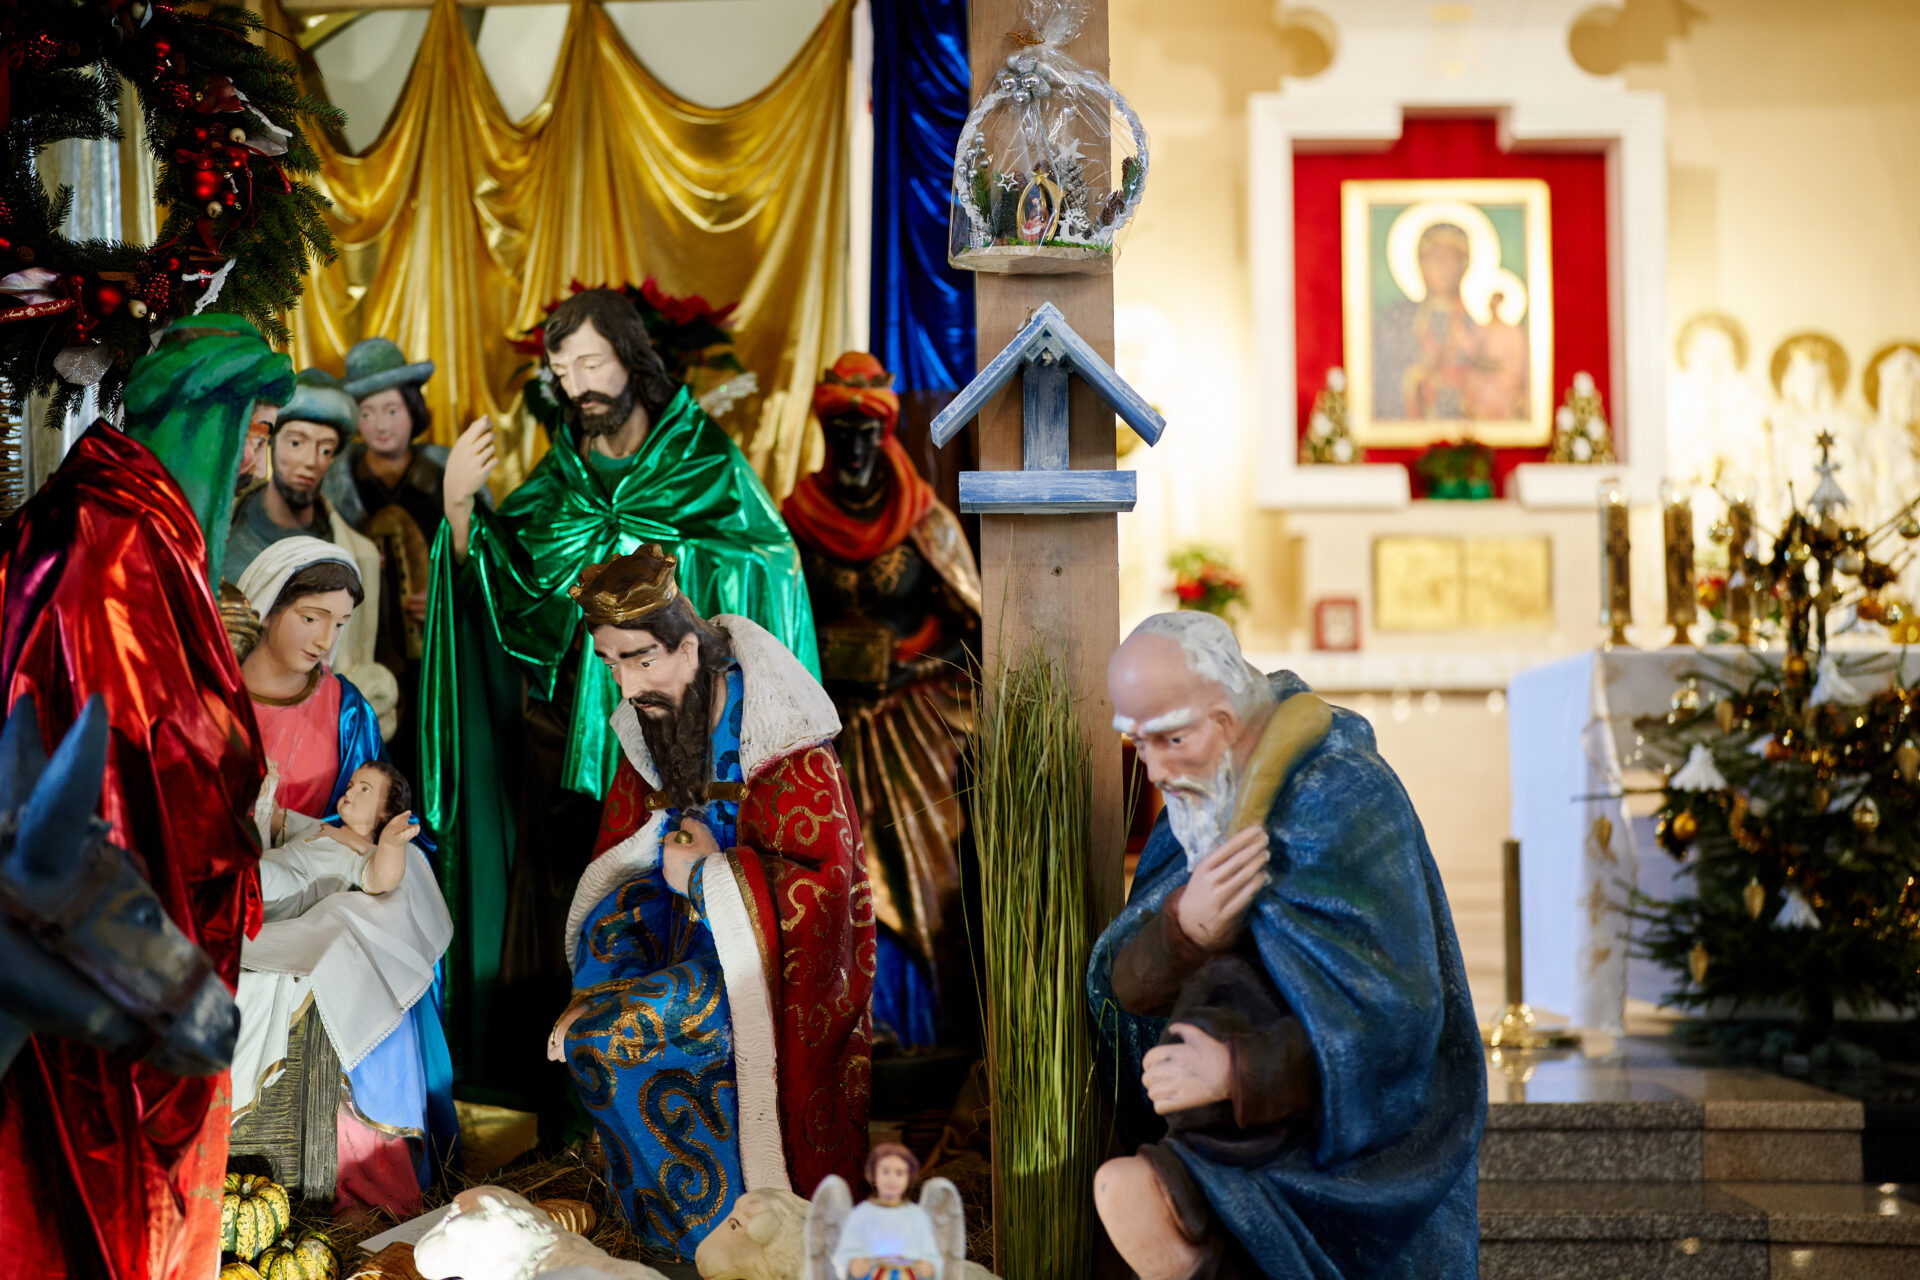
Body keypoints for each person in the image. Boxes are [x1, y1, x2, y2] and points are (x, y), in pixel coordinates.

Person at [423, 287, 818, 1099]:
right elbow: (508, 590)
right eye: (563, 371)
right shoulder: (563, 480)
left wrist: (675, 572)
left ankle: (690, 1099)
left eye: (593, 363)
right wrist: (461, 511)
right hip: (575, 747)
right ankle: (579, 1109)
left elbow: (768, 562)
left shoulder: (702, 460)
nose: (579, 386)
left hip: (686, 745)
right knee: (587, 909)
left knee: (675, 912)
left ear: (633, 360)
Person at [0, 317, 292, 1279]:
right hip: (107, 918)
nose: (254, 466)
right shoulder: (112, 545)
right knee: (103, 1170)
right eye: (253, 434)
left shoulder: (118, 524)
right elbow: (146, 754)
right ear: (206, 421)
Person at [1087, 612, 1484, 1280]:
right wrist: (1187, 931)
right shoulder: (1198, 799)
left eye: (1171, 738)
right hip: (1220, 1129)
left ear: (1224, 718)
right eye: (1137, 742)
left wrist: (1235, 1072)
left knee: (1150, 1204)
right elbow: (1121, 989)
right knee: (1126, 1193)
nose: (1152, 769)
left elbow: (1398, 1019)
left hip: (1341, 1149)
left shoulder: (1345, 799)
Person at [546, 545, 870, 1259]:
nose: (627, 685)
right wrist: (601, 982)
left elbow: (824, 891)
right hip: (682, 958)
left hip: (761, 979)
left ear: (689, 647)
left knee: (611, 1039)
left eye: (641, 660)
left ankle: (726, 1235)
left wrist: (705, 878)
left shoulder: (786, 745)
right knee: (590, 1032)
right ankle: (671, 1231)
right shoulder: (652, 732)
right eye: (611, 664)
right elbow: (621, 871)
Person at [782, 352, 979, 1050]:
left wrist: (900, 674)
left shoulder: (926, 520)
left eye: (868, 433)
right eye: (842, 432)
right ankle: (839, 1030)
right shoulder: (792, 520)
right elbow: (774, 620)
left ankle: (926, 1031)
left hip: (911, 722)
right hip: (822, 722)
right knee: (830, 863)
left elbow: (973, 628)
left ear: (887, 433)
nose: (856, 447)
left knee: (923, 862)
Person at [232, 759, 454, 1214]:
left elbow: (382, 879)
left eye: (365, 789)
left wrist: (390, 843)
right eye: (352, 784)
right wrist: (262, 787)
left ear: (385, 813)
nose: (350, 792)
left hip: (280, 886)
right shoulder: (321, 828)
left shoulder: (364, 854)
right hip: (272, 872)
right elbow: (275, 820)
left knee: (229, 879)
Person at [230, 368, 398, 738]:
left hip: (315, 733)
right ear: (271, 442)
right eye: (296, 442)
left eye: (325, 449)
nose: (310, 461)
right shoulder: (222, 534)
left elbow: (368, 658)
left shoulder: (359, 555)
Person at [326, 338, 466, 778]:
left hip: (435, 648)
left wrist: (447, 596)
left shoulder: (445, 477)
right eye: (366, 413)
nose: (380, 425)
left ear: (413, 410)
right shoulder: (338, 484)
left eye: (391, 410)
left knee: (431, 750)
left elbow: (477, 558)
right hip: (362, 643)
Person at [832, 1144, 942, 1280]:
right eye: (885, 1172)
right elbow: (845, 1250)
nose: (891, 1179)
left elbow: (931, 1252)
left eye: (899, 1173)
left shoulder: (917, 1216)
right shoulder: (861, 1214)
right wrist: (853, 1263)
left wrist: (928, 1265)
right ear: (874, 1177)